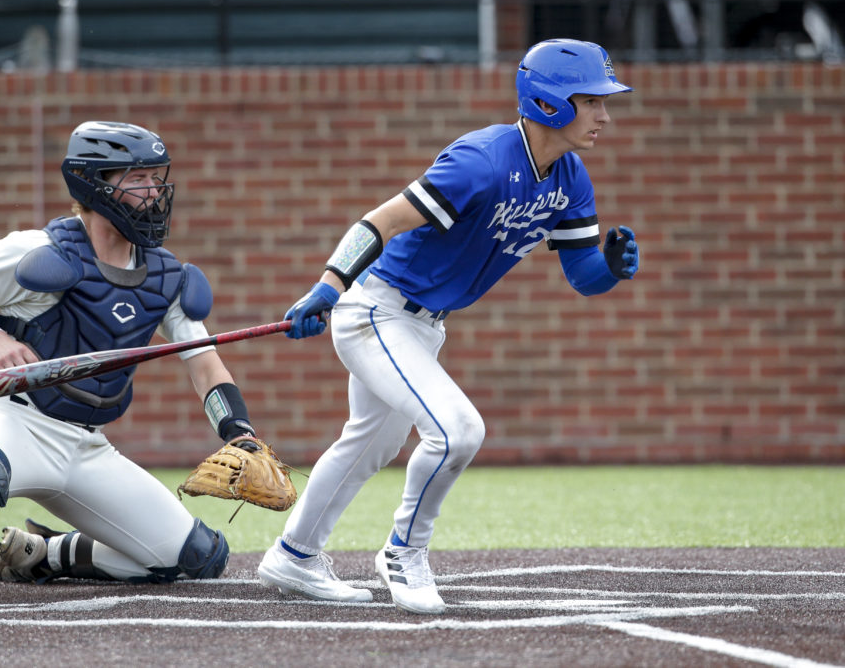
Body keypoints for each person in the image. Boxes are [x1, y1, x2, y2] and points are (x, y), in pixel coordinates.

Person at [257, 39, 641, 614]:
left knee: (370, 443)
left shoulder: (570, 176)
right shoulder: (481, 161)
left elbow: (582, 277)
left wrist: (610, 268)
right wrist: (329, 287)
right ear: (551, 104)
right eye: (592, 102)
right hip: (377, 312)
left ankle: (294, 554)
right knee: (458, 431)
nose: (605, 115)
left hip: (424, 326)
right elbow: (379, 221)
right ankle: (404, 553)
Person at [0, 121, 264, 595]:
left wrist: (239, 434)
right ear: (94, 184)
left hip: (87, 447)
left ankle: (41, 554)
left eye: (157, 179)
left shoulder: (165, 276)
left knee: (198, 557)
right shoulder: (40, 251)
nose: (153, 192)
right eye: (137, 179)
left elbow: (204, 365)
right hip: (16, 420)